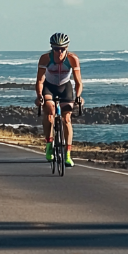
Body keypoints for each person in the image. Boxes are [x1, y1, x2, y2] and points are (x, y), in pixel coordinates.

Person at [35, 32, 83, 167]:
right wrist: (39, 96)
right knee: (49, 112)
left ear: (67, 48)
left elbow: (78, 82)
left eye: (63, 49)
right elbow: (39, 80)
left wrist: (78, 96)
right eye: (56, 49)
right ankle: (49, 144)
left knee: (67, 118)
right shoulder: (45, 58)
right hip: (49, 87)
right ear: (52, 48)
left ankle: (67, 154)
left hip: (65, 87)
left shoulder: (72, 59)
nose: (60, 52)